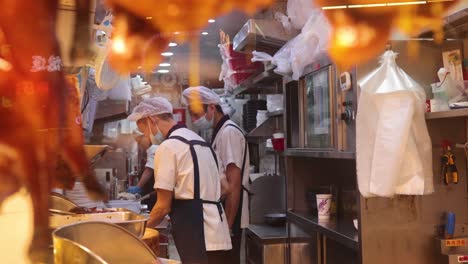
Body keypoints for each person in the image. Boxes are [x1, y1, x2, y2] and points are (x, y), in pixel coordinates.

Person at [127, 97, 232, 263]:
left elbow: (162, 206)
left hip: (196, 230)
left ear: (151, 120)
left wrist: (139, 234)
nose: (148, 137)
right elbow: (225, 188)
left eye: (145, 131)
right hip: (218, 233)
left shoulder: (168, 147)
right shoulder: (202, 143)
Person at [183, 86, 250, 264]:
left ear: (212, 107)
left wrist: (227, 226)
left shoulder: (229, 133)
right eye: (192, 115)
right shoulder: (219, 131)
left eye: (197, 115)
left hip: (231, 215)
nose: (195, 120)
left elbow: (233, 185)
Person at [127, 136, 158, 211]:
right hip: (151, 189)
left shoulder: (154, 148)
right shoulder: (148, 151)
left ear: (147, 138)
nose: (140, 144)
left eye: (141, 140)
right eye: (139, 142)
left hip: (154, 189)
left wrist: (138, 187)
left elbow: (149, 170)